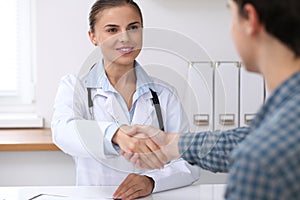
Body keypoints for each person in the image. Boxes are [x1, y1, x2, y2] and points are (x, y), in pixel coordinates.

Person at [122, 0, 300, 199]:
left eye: (231, 14)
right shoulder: (285, 120)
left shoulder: (256, 163)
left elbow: (257, 147)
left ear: (250, 18)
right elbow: (249, 138)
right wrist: (170, 143)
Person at [51, 0, 200, 199]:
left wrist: (151, 181)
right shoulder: (74, 87)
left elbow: (189, 161)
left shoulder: (164, 94)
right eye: (112, 30)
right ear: (93, 37)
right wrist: (115, 134)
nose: (125, 38)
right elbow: (63, 131)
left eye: (133, 27)